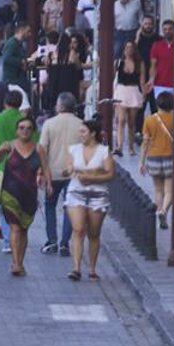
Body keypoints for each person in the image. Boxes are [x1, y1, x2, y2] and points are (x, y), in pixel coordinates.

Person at [0, 113, 45, 276]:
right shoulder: (10, 146)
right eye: (21, 128)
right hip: (10, 193)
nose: (25, 131)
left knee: (24, 229)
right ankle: (15, 263)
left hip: (29, 194)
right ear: (16, 131)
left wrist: (47, 183)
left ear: (33, 131)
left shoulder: (38, 149)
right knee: (14, 227)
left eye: (29, 128)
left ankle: (20, 262)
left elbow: (46, 168)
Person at [65, 120, 116, 282]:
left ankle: (92, 269)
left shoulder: (103, 151)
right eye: (80, 132)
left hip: (98, 196)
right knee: (78, 230)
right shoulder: (73, 149)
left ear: (93, 133)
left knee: (94, 233)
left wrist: (91, 176)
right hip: (76, 193)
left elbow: (110, 174)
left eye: (83, 132)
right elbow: (67, 169)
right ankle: (76, 268)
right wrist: (70, 170)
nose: (80, 135)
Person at [38, 92, 86, 257]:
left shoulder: (49, 124)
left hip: (53, 172)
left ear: (60, 106)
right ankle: (65, 243)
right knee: (69, 207)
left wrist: (41, 172)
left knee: (50, 205)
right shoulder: (81, 125)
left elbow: (42, 149)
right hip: (74, 173)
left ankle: (52, 240)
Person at [112, 39, 145, 154]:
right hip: (121, 91)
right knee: (120, 120)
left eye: (131, 48)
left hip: (134, 91)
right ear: (124, 50)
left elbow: (142, 81)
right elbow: (113, 78)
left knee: (131, 122)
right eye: (127, 48)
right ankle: (120, 146)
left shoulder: (139, 63)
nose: (128, 50)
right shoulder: (118, 62)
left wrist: (143, 95)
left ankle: (130, 147)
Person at [148, 19, 174, 99]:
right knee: (162, 109)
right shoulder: (156, 45)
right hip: (160, 84)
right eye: (165, 29)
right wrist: (151, 79)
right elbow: (153, 65)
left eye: (170, 29)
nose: (167, 31)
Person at [0, 21, 34, 89]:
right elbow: (6, 59)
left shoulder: (20, 44)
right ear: (21, 30)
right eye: (28, 31)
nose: (29, 34)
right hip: (12, 81)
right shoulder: (12, 43)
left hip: (19, 79)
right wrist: (21, 61)